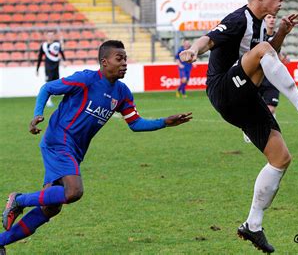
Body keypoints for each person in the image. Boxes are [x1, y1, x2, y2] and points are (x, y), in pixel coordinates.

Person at [0, 40, 192, 254]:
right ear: (104, 62)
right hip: (59, 140)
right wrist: (38, 114)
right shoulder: (85, 79)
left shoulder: (122, 92)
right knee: (74, 191)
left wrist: (164, 122)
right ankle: (19, 199)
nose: (124, 63)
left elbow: (135, 124)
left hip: (75, 151)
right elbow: (48, 88)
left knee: (50, 208)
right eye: (119, 59)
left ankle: (1, 241)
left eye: (126, 59)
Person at [180, 0, 298, 253]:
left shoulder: (259, 27)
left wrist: (280, 33)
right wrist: (193, 49)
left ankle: (252, 225)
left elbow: (268, 56)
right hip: (223, 90)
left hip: (245, 96)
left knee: (281, 158)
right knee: (264, 49)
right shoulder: (239, 18)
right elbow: (208, 38)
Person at [243, 14, 289, 143]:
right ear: (264, 20)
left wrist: (282, 59)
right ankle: (250, 127)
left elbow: (277, 54)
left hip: (271, 78)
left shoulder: (277, 36)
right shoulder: (257, 35)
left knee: (271, 108)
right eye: (269, 17)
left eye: (274, 17)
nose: (272, 20)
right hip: (257, 75)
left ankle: (266, 128)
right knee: (253, 106)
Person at [36, 31, 67, 107]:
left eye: (52, 35)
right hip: (48, 68)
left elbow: (61, 53)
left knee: (57, 82)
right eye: (49, 35)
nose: (50, 37)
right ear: (46, 36)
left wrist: (64, 61)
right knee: (48, 83)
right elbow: (40, 57)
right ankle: (48, 100)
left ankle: (60, 97)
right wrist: (37, 69)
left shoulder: (57, 44)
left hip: (56, 67)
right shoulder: (44, 46)